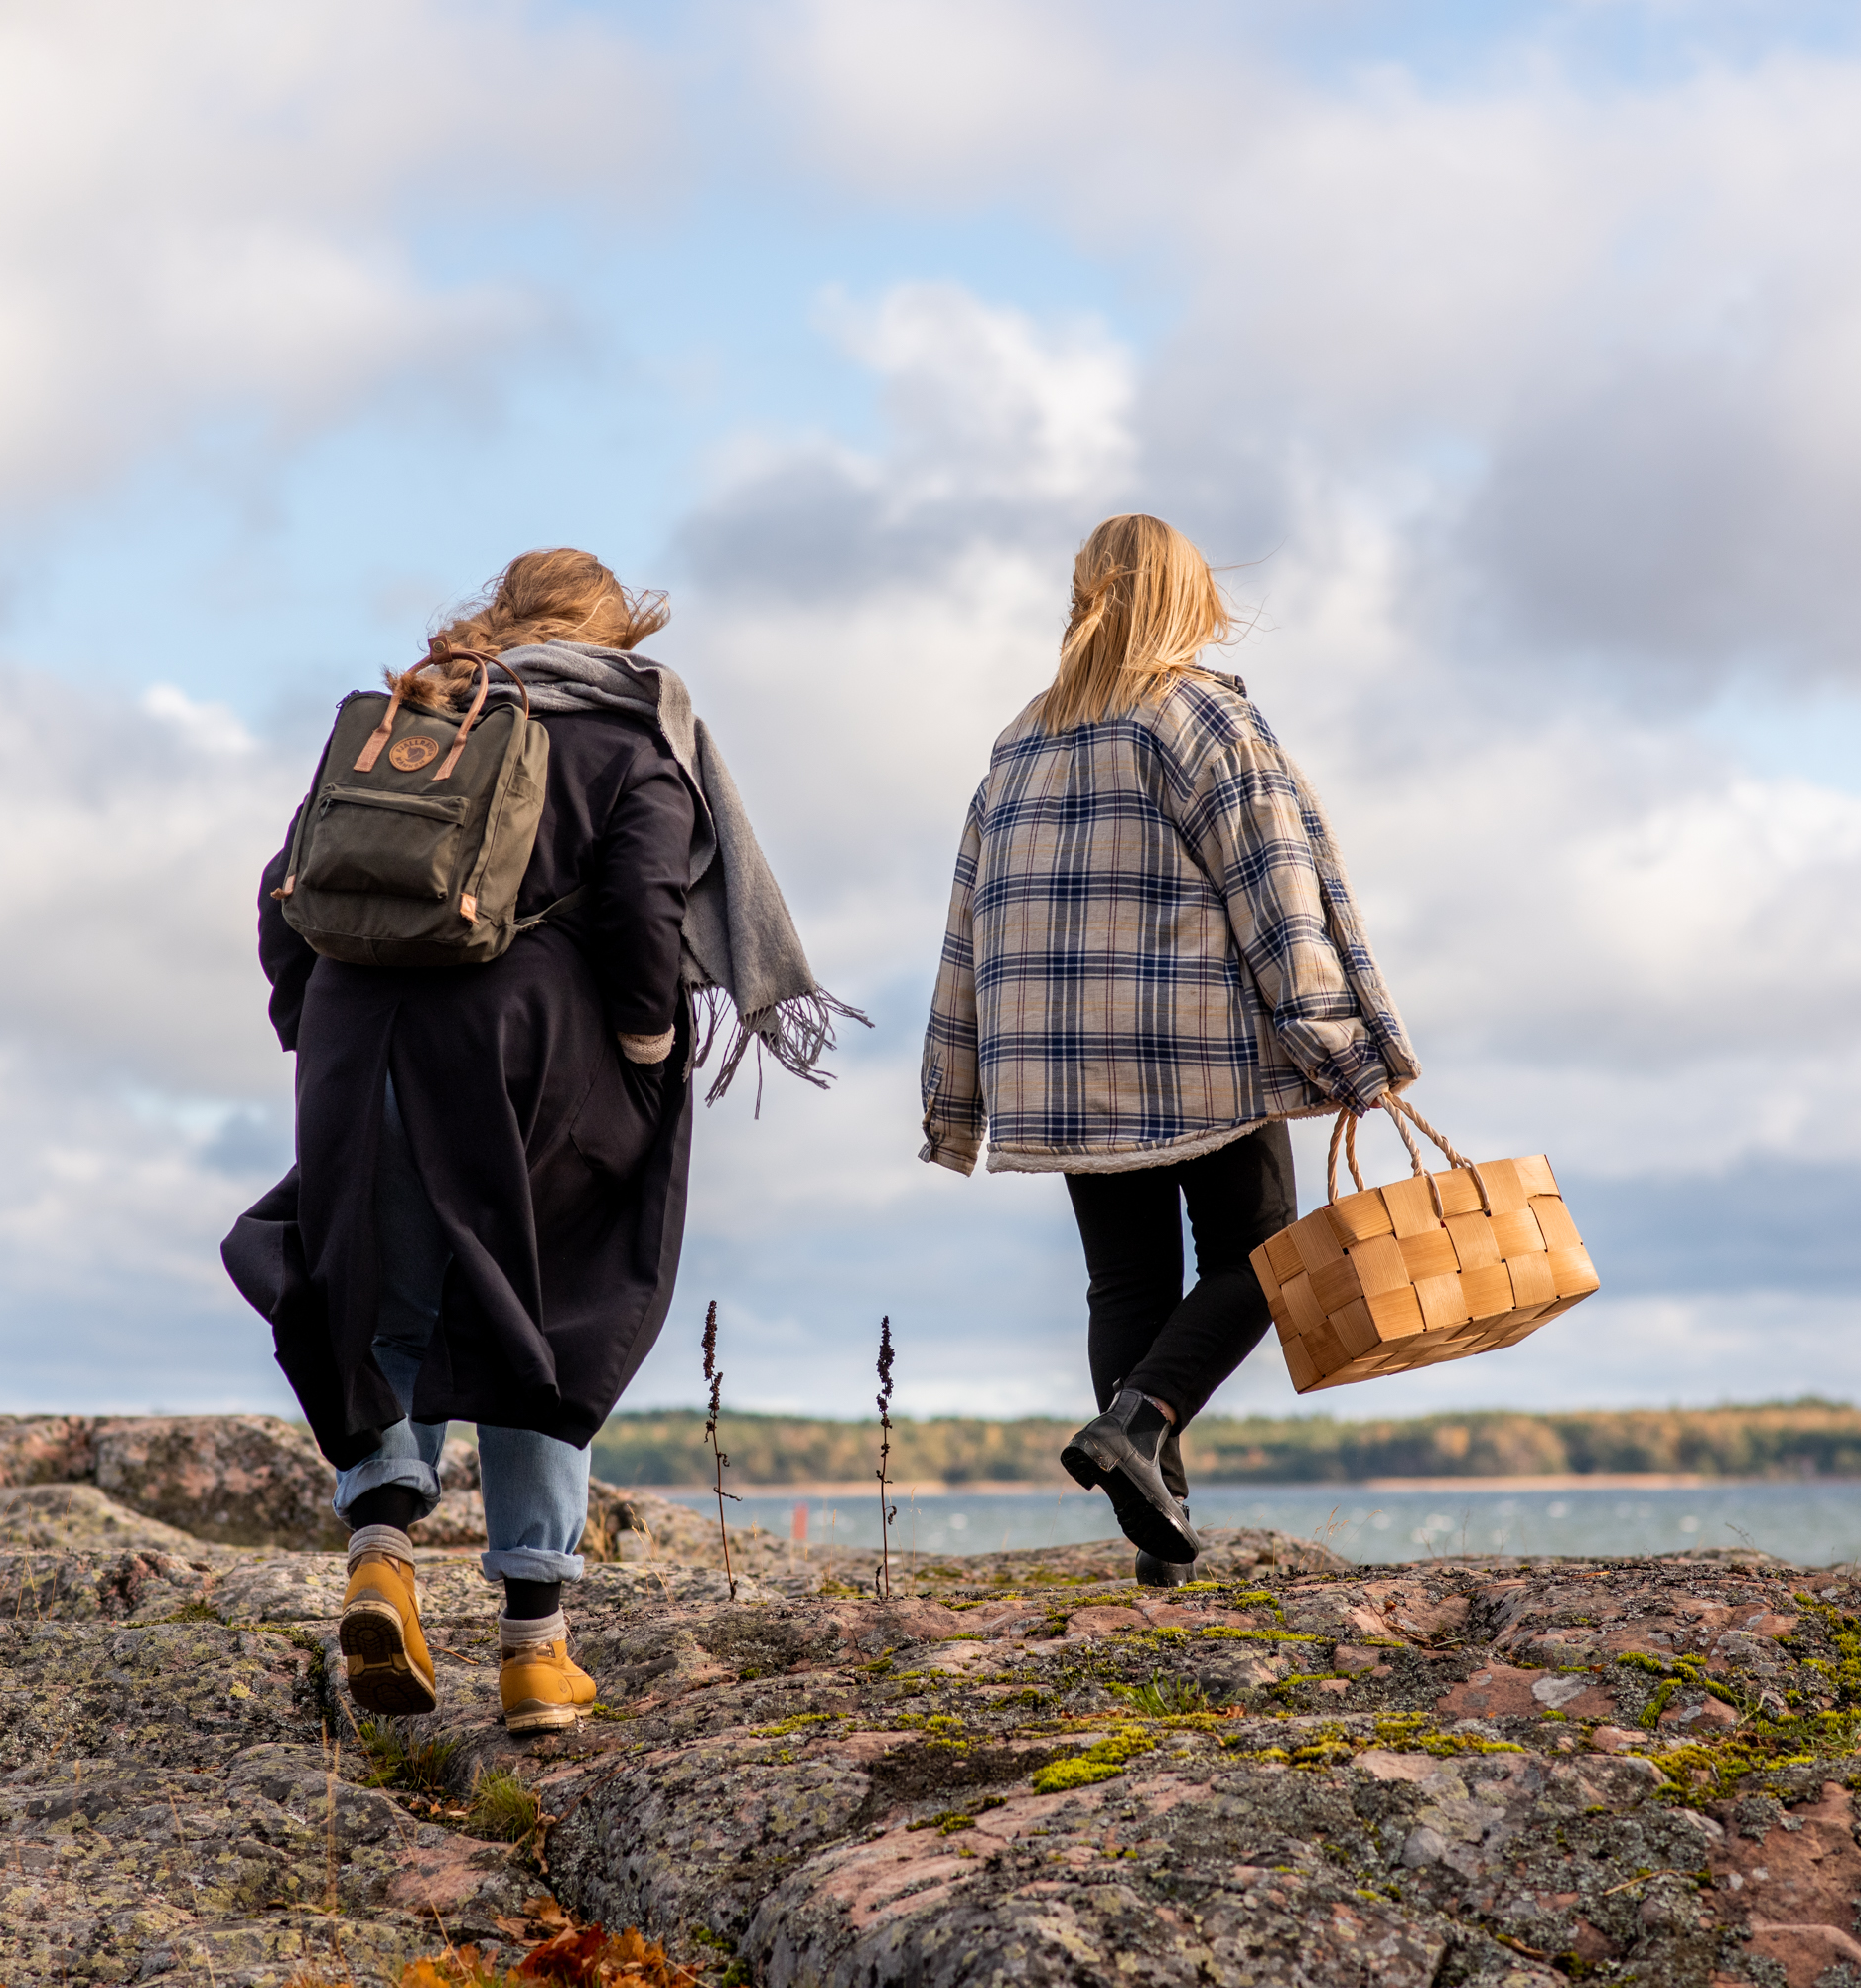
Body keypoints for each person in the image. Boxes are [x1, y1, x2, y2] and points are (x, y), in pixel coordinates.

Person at [224, 549, 856, 1733]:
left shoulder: (413, 715)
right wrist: (650, 1048)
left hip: (359, 1038)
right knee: (552, 1293)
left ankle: (379, 1556)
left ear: (501, 622)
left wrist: (315, 1026)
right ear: (621, 635)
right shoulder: (634, 732)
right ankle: (533, 1648)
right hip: (526, 1045)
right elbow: (641, 910)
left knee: (376, 1278)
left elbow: (286, 891)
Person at [919, 514, 1418, 1585]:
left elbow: (970, 922)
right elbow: (1278, 895)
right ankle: (1141, 1423)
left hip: (1054, 1069)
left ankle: (1162, 1534)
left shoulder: (1021, 738)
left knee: (1125, 1284)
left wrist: (954, 1094)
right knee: (1264, 1255)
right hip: (1194, 1055)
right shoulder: (1199, 718)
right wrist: (1336, 1044)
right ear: (1193, 603)